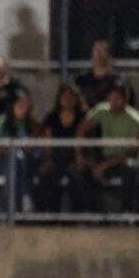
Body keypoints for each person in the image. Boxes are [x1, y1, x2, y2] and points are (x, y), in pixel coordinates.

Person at [74, 80, 139, 212]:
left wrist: (105, 165)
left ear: (126, 99)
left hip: (125, 160)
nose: (113, 102)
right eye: (111, 98)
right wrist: (80, 155)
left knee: (130, 169)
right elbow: (82, 130)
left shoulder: (136, 120)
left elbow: (132, 153)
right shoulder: (102, 111)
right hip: (105, 158)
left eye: (117, 98)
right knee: (80, 171)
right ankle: (92, 213)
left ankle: (127, 212)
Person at [36, 84, 85, 212]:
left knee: (76, 176)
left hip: (74, 158)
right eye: (64, 96)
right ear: (59, 99)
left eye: (71, 97)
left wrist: (79, 157)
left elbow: (83, 139)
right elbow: (45, 140)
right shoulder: (52, 117)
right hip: (55, 157)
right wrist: (47, 160)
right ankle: (50, 213)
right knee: (49, 176)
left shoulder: (83, 118)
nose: (68, 100)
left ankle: (77, 214)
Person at [0, 90, 38, 212]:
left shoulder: (30, 123)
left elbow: (34, 146)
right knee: (14, 165)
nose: (24, 110)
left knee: (18, 165)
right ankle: (23, 196)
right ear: (12, 106)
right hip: (3, 161)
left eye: (26, 106)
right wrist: (16, 149)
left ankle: (12, 210)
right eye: (20, 106)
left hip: (27, 163)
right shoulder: (2, 122)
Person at [75, 41, 135, 109]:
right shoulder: (82, 80)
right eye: (95, 52)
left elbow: (127, 104)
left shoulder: (119, 81)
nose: (97, 55)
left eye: (101, 52)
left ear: (109, 57)